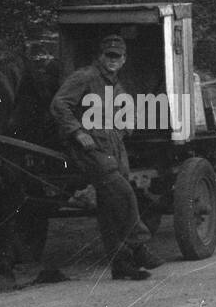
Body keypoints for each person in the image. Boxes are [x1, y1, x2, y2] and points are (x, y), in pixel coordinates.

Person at [50, 34, 161, 280]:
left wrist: (126, 124)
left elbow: (125, 110)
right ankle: (140, 246)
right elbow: (59, 104)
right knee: (123, 193)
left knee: (110, 206)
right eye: (108, 55)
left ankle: (121, 265)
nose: (112, 60)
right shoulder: (85, 77)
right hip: (88, 148)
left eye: (117, 56)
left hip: (113, 148)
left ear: (123, 60)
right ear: (100, 56)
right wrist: (77, 132)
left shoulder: (115, 84)